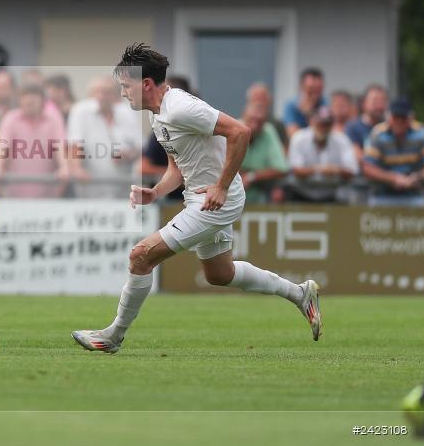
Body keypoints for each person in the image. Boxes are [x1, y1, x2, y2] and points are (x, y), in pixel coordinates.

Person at [72, 43, 321, 354]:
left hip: (215, 201)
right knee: (220, 274)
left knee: (141, 256)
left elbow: (240, 132)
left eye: (126, 86)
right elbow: (178, 167)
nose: (123, 93)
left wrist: (221, 186)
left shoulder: (180, 107)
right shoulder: (158, 114)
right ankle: (299, 293)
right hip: (200, 198)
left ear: (146, 84)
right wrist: (156, 191)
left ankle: (113, 336)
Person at [67, 76, 142, 198]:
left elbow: (140, 147)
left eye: (107, 92)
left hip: (123, 188)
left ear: (117, 95)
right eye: (97, 92)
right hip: (91, 187)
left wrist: (129, 155)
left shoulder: (127, 113)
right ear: (91, 94)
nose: (102, 96)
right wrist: (77, 169)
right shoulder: (80, 111)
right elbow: (75, 143)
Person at [0, 84, 68, 198]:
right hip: (15, 193)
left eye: (34, 97)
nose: (29, 100)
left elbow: (60, 145)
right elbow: (3, 145)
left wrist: (64, 167)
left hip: (47, 194)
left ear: (42, 100)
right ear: (19, 100)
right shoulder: (11, 118)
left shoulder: (54, 120)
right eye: (25, 97)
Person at [362, 99, 424, 207]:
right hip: (382, 195)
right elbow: (368, 168)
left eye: (403, 118)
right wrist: (393, 178)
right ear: (389, 117)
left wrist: (415, 177)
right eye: (395, 117)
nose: (399, 122)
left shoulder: (422, 134)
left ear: (411, 118)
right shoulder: (377, 134)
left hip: (414, 195)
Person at [286, 106, 358, 202]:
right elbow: (295, 170)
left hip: (331, 197)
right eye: (320, 123)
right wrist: (320, 169)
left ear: (332, 125)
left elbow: (352, 170)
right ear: (311, 122)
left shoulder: (342, 140)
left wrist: (337, 170)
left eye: (327, 124)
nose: (323, 128)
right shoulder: (299, 138)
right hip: (301, 195)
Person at [240, 102, 289, 204]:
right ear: (243, 117)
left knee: (279, 192)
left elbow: (281, 168)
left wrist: (251, 176)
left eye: (259, 122)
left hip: (261, 189)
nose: (254, 126)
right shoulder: (234, 129)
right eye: (251, 120)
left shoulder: (268, 131)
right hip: (232, 184)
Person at [345, 84, 388, 156]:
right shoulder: (353, 127)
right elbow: (357, 156)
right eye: (375, 100)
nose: (379, 105)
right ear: (364, 103)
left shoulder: (388, 126)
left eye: (382, 100)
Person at [282, 68, 325, 138]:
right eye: (311, 89)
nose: (315, 95)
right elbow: (294, 135)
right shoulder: (291, 105)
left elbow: (323, 135)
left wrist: (309, 113)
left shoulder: (325, 104)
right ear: (302, 87)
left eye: (318, 89)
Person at [246, 82, 288, 147]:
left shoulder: (275, 127)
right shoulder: (239, 126)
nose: (259, 103)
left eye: (262, 99)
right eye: (256, 99)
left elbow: (283, 150)